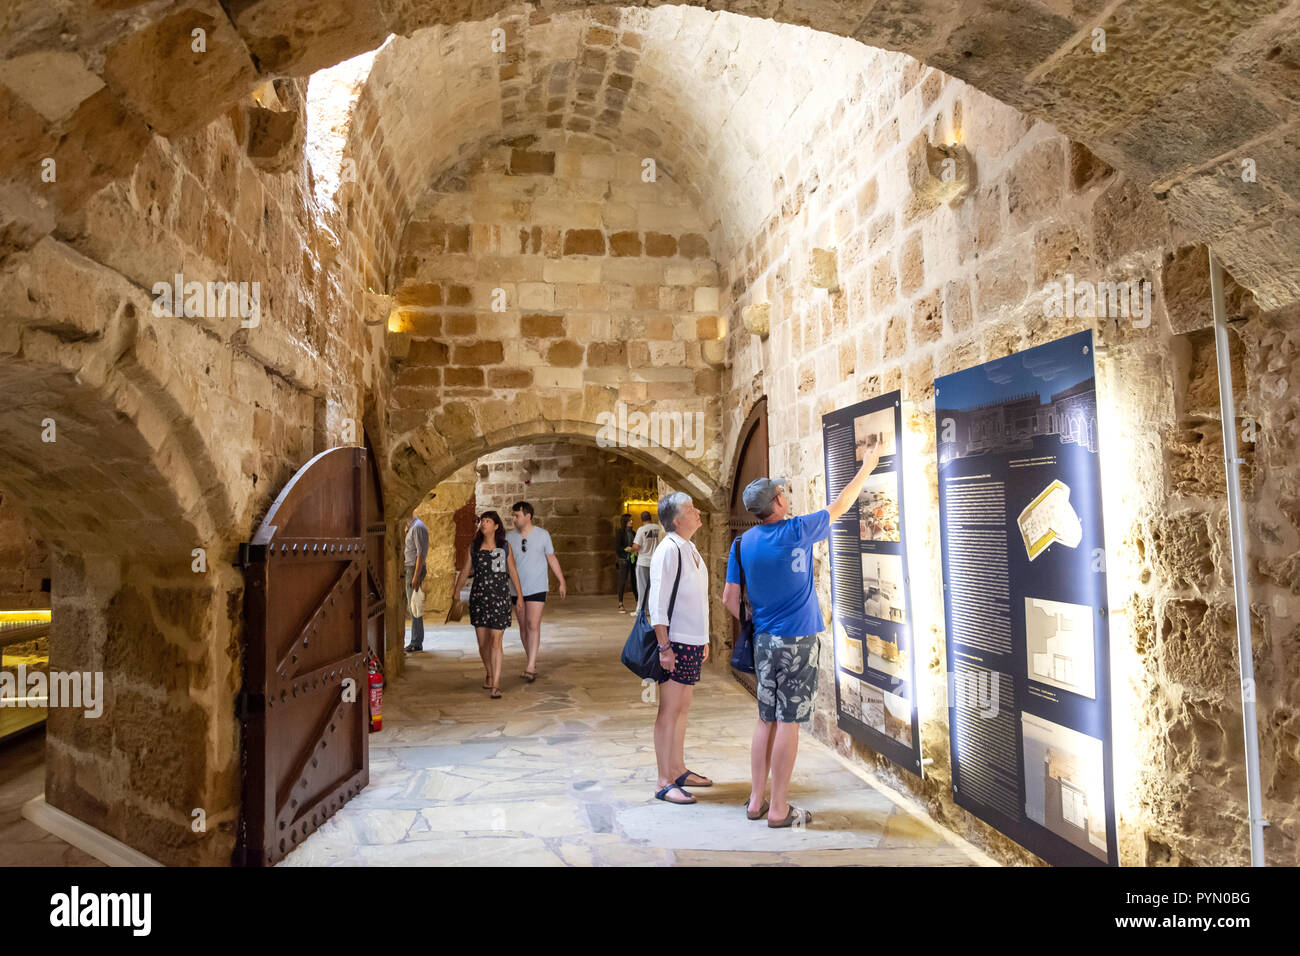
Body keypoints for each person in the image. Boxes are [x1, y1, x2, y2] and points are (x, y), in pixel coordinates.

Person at [722, 442, 883, 827]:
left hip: (763, 641)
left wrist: (755, 615)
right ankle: (779, 808)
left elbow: (729, 597)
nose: (785, 495)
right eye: (781, 493)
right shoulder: (796, 530)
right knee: (789, 721)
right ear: (776, 504)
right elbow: (842, 503)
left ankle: (756, 800)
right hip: (798, 640)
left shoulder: (742, 543)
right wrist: (868, 466)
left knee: (766, 720)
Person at [648, 491, 712, 805]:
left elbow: (696, 599)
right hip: (674, 642)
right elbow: (657, 602)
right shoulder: (668, 550)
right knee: (669, 711)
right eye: (690, 508)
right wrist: (664, 646)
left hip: (692, 640)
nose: (697, 511)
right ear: (676, 520)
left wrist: (705, 638)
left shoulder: (690, 548)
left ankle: (678, 768)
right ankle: (664, 780)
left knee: (682, 710)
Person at [452, 511, 525, 699]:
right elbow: (465, 570)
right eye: (482, 521)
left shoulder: (504, 547)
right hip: (479, 598)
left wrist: (520, 596)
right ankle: (489, 672)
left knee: (496, 640)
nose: (483, 524)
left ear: (496, 526)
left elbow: (513, 571)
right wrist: (456, 590)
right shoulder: (474, 547)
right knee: (483, 643)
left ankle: (496, 683)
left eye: (487, 521)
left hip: (500, 598)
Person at [505, 501, 567, 682]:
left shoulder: (542, 535)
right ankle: (529, 658)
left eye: (516, 515)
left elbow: (551, 558)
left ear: (527, 516)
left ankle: (531, 665)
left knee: (533, 624)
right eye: (513, 515)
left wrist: (561, 581)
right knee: (523, 627)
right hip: (517, 589)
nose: (513, 519)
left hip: (538, 586)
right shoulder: (509, 538)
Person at [403, 514, 429, 652]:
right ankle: (416, 640)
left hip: (413, 569)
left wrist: (416, 576)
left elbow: (421, 554)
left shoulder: (417, 527)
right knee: (412, 606)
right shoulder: (411, 526)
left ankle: (416, 642)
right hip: (410, 568)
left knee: (414, 607)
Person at [631, 510, 662, 612]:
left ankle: (641, 610)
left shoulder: (641, 529)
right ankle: (654, 610)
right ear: (651, 518)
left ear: (642, 519)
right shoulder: (658, 528)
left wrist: (630, 549)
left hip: (643, 561)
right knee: (655, 587)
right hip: (656, 562)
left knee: (642, 587)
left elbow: (636, 546)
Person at [615, 513, 638, 612]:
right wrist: (626, 549)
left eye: (631, 520)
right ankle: (620, 603)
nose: (631, 522)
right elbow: (617, 548)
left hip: (633, 560)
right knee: (622, 581)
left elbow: (636, 545)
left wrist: (634, 550)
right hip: (624, 560)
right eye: (629, 521)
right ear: (625, 522)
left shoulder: (634, 533)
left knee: (634, 581)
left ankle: (638, 602)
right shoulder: (620, 533)